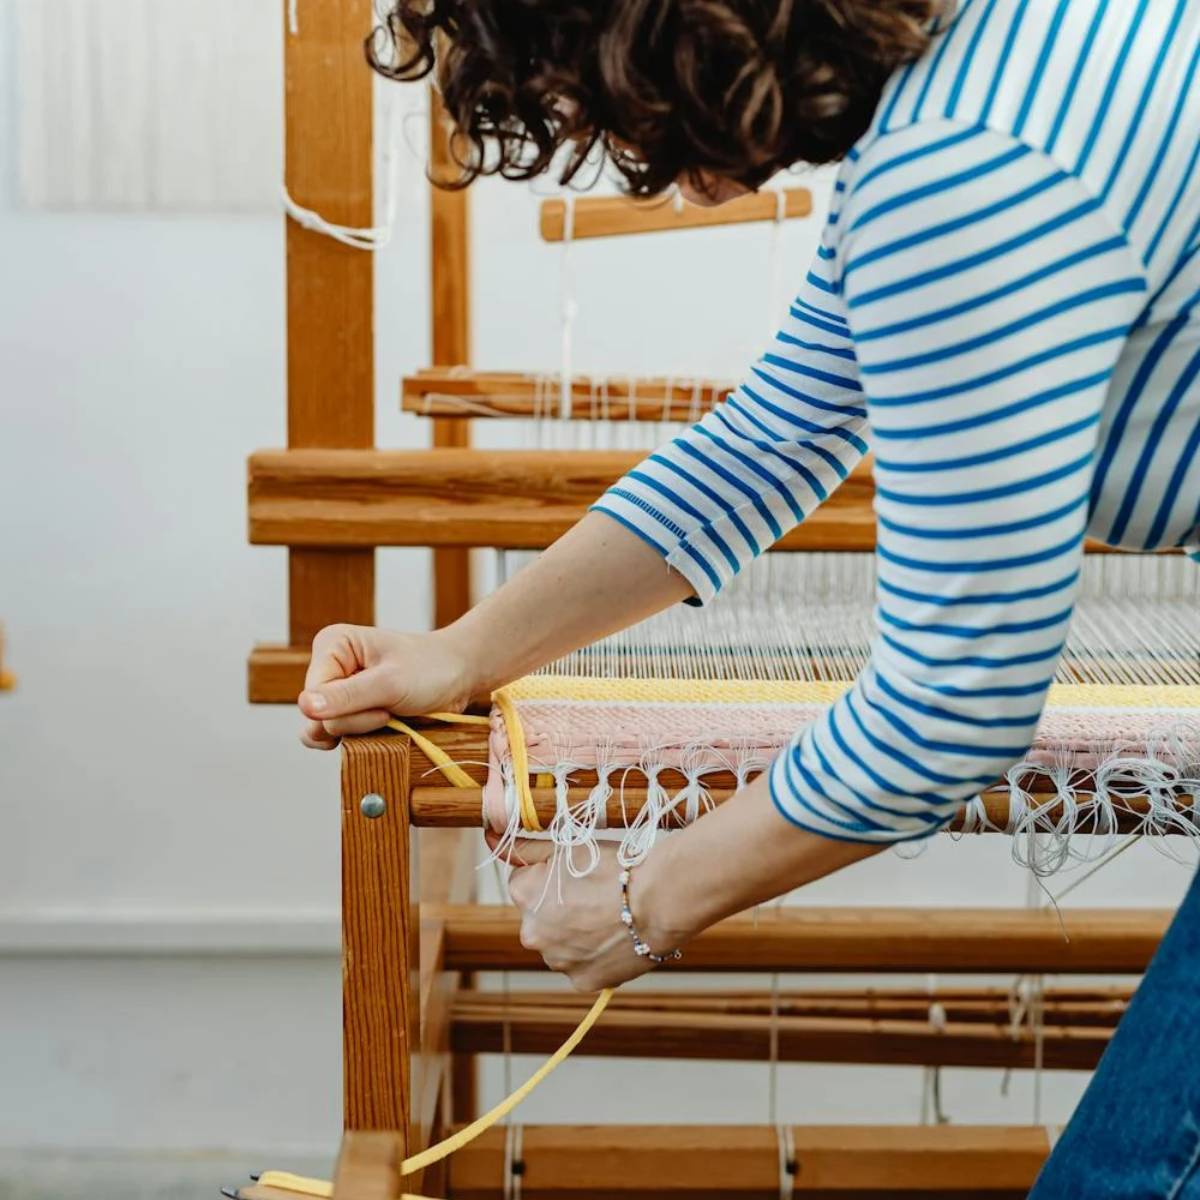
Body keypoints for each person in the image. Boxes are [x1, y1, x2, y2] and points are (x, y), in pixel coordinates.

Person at [297, 1, 1200, 1194]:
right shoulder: (984, 73)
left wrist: (636, 904)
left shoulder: (959, 176)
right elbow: (778, 436)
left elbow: (958, 703)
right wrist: (461, 657)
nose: (632, 165)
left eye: (591, 106)